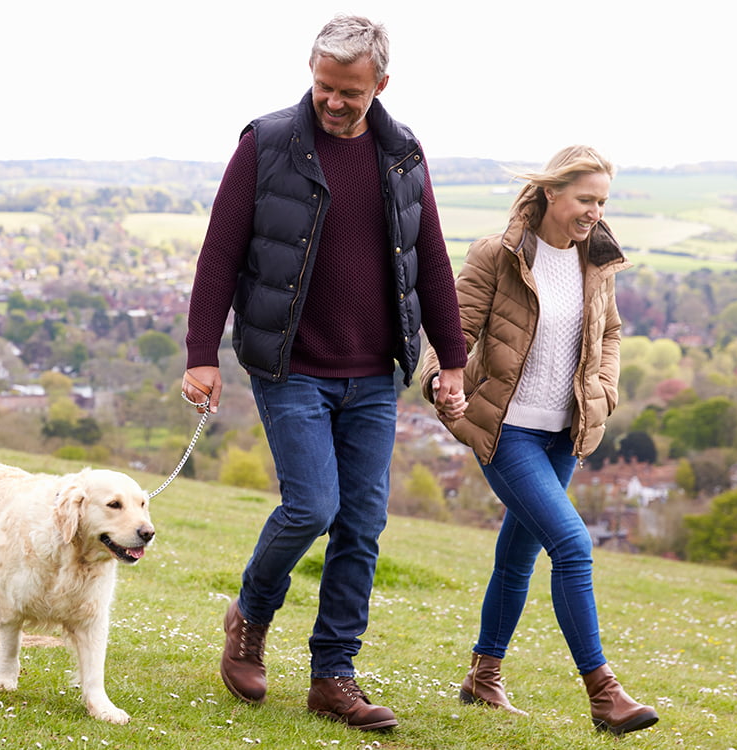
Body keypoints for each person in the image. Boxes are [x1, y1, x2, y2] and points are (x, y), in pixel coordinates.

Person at [181, 13, 468, 732]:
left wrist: (453, 362)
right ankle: (249, 616)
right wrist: (200, 354)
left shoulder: (402, 153)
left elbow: (429, 260)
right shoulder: (268, 142)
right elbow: (220, 252)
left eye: (349, 91)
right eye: (323, 87)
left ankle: (333, 677)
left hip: (374, 372)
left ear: (381, 83)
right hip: (291, 365)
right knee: (313, 507)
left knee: (363, 524)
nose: (333, 102)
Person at [418, 145, 659, 736]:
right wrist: (436, 379)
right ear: (552, 193)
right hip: (507, 430)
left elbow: (610, 334)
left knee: (518, 556)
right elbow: (456, 328)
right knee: (573, 546)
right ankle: (604, 694)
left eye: (601, 201)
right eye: (585, 199)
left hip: (562, 434)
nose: (594, 213)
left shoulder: (595, 262)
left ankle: (483, 675)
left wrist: (603, 390)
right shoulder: (496, 255)